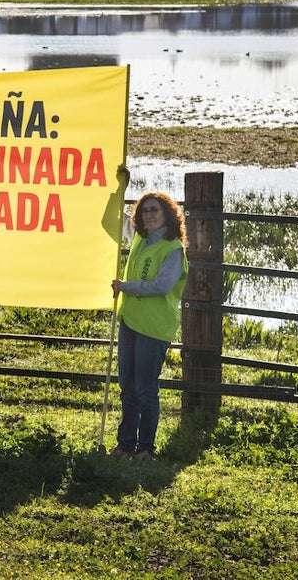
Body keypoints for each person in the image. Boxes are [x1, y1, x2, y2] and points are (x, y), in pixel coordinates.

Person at [110, 191, 188, 460]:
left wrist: (125, 287)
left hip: (153, 327)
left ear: (167, 213)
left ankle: (145, 448)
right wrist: (119, 187)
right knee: (127, 387)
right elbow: (110, 220)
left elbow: (161, 286)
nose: (149, 215)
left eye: (155, 210)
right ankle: (125, 444)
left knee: (144, 388)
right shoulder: (140, 239)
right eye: (144, 211)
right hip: (131, 321)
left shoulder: (173, 249)